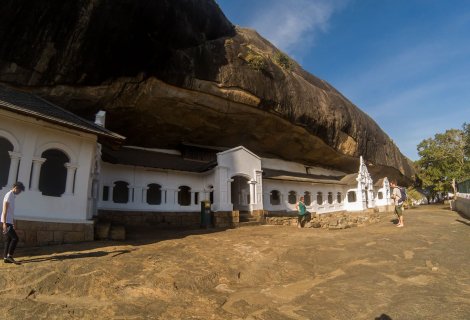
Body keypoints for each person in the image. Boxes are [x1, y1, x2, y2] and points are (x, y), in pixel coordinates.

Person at [2, 181, 25, 264]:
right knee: (15, 238)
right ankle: (10, 256)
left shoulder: (12, 196)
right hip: (6, 221)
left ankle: (5, 258)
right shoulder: (9, 195)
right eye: (19, 190)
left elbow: (11, 211)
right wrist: (4, 223)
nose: (19, 192)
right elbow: (5, 210)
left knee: (8, 240)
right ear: (15, 187)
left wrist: (13, 222)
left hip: (9, 221)